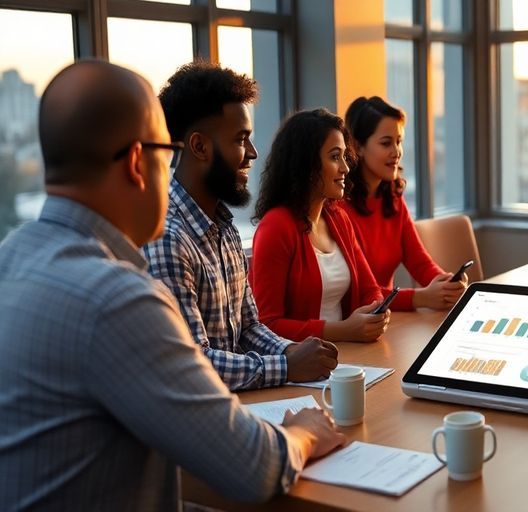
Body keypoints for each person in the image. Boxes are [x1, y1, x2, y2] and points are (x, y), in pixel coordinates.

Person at [0, 60, 345, 509]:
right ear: (136, 163)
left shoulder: (10, 259)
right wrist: (304, 432)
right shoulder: (118, 299)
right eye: (166, 153)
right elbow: (257, 469)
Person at [143, 62, 338, 390]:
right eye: (240, 140)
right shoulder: (167, 238)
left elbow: (248, 327)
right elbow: (192, 361)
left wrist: (294, 352)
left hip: (240, 403)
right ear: (199, 147)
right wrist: (286, 365)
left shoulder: (224, 228)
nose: (252, 152)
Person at [250, 108, 389, 343]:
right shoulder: (275, 228)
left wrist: (375, 312)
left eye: (345, 156)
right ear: (305, 164)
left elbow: (370, 289)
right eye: (335, 157)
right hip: (301, 367)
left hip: (345, 354)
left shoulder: (339, 219)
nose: (345, 168)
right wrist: (344, 330)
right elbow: (267, 325)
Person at [340, 96, 467, 311]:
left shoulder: (393, 198)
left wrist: (445, 284)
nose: (396, 151)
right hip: (359, 323)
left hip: (389, 320)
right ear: (358, 147)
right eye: (386, 143)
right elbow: (359, 292)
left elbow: (419, 261)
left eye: (398, 141)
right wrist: (421, 298)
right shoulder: (340, 209)